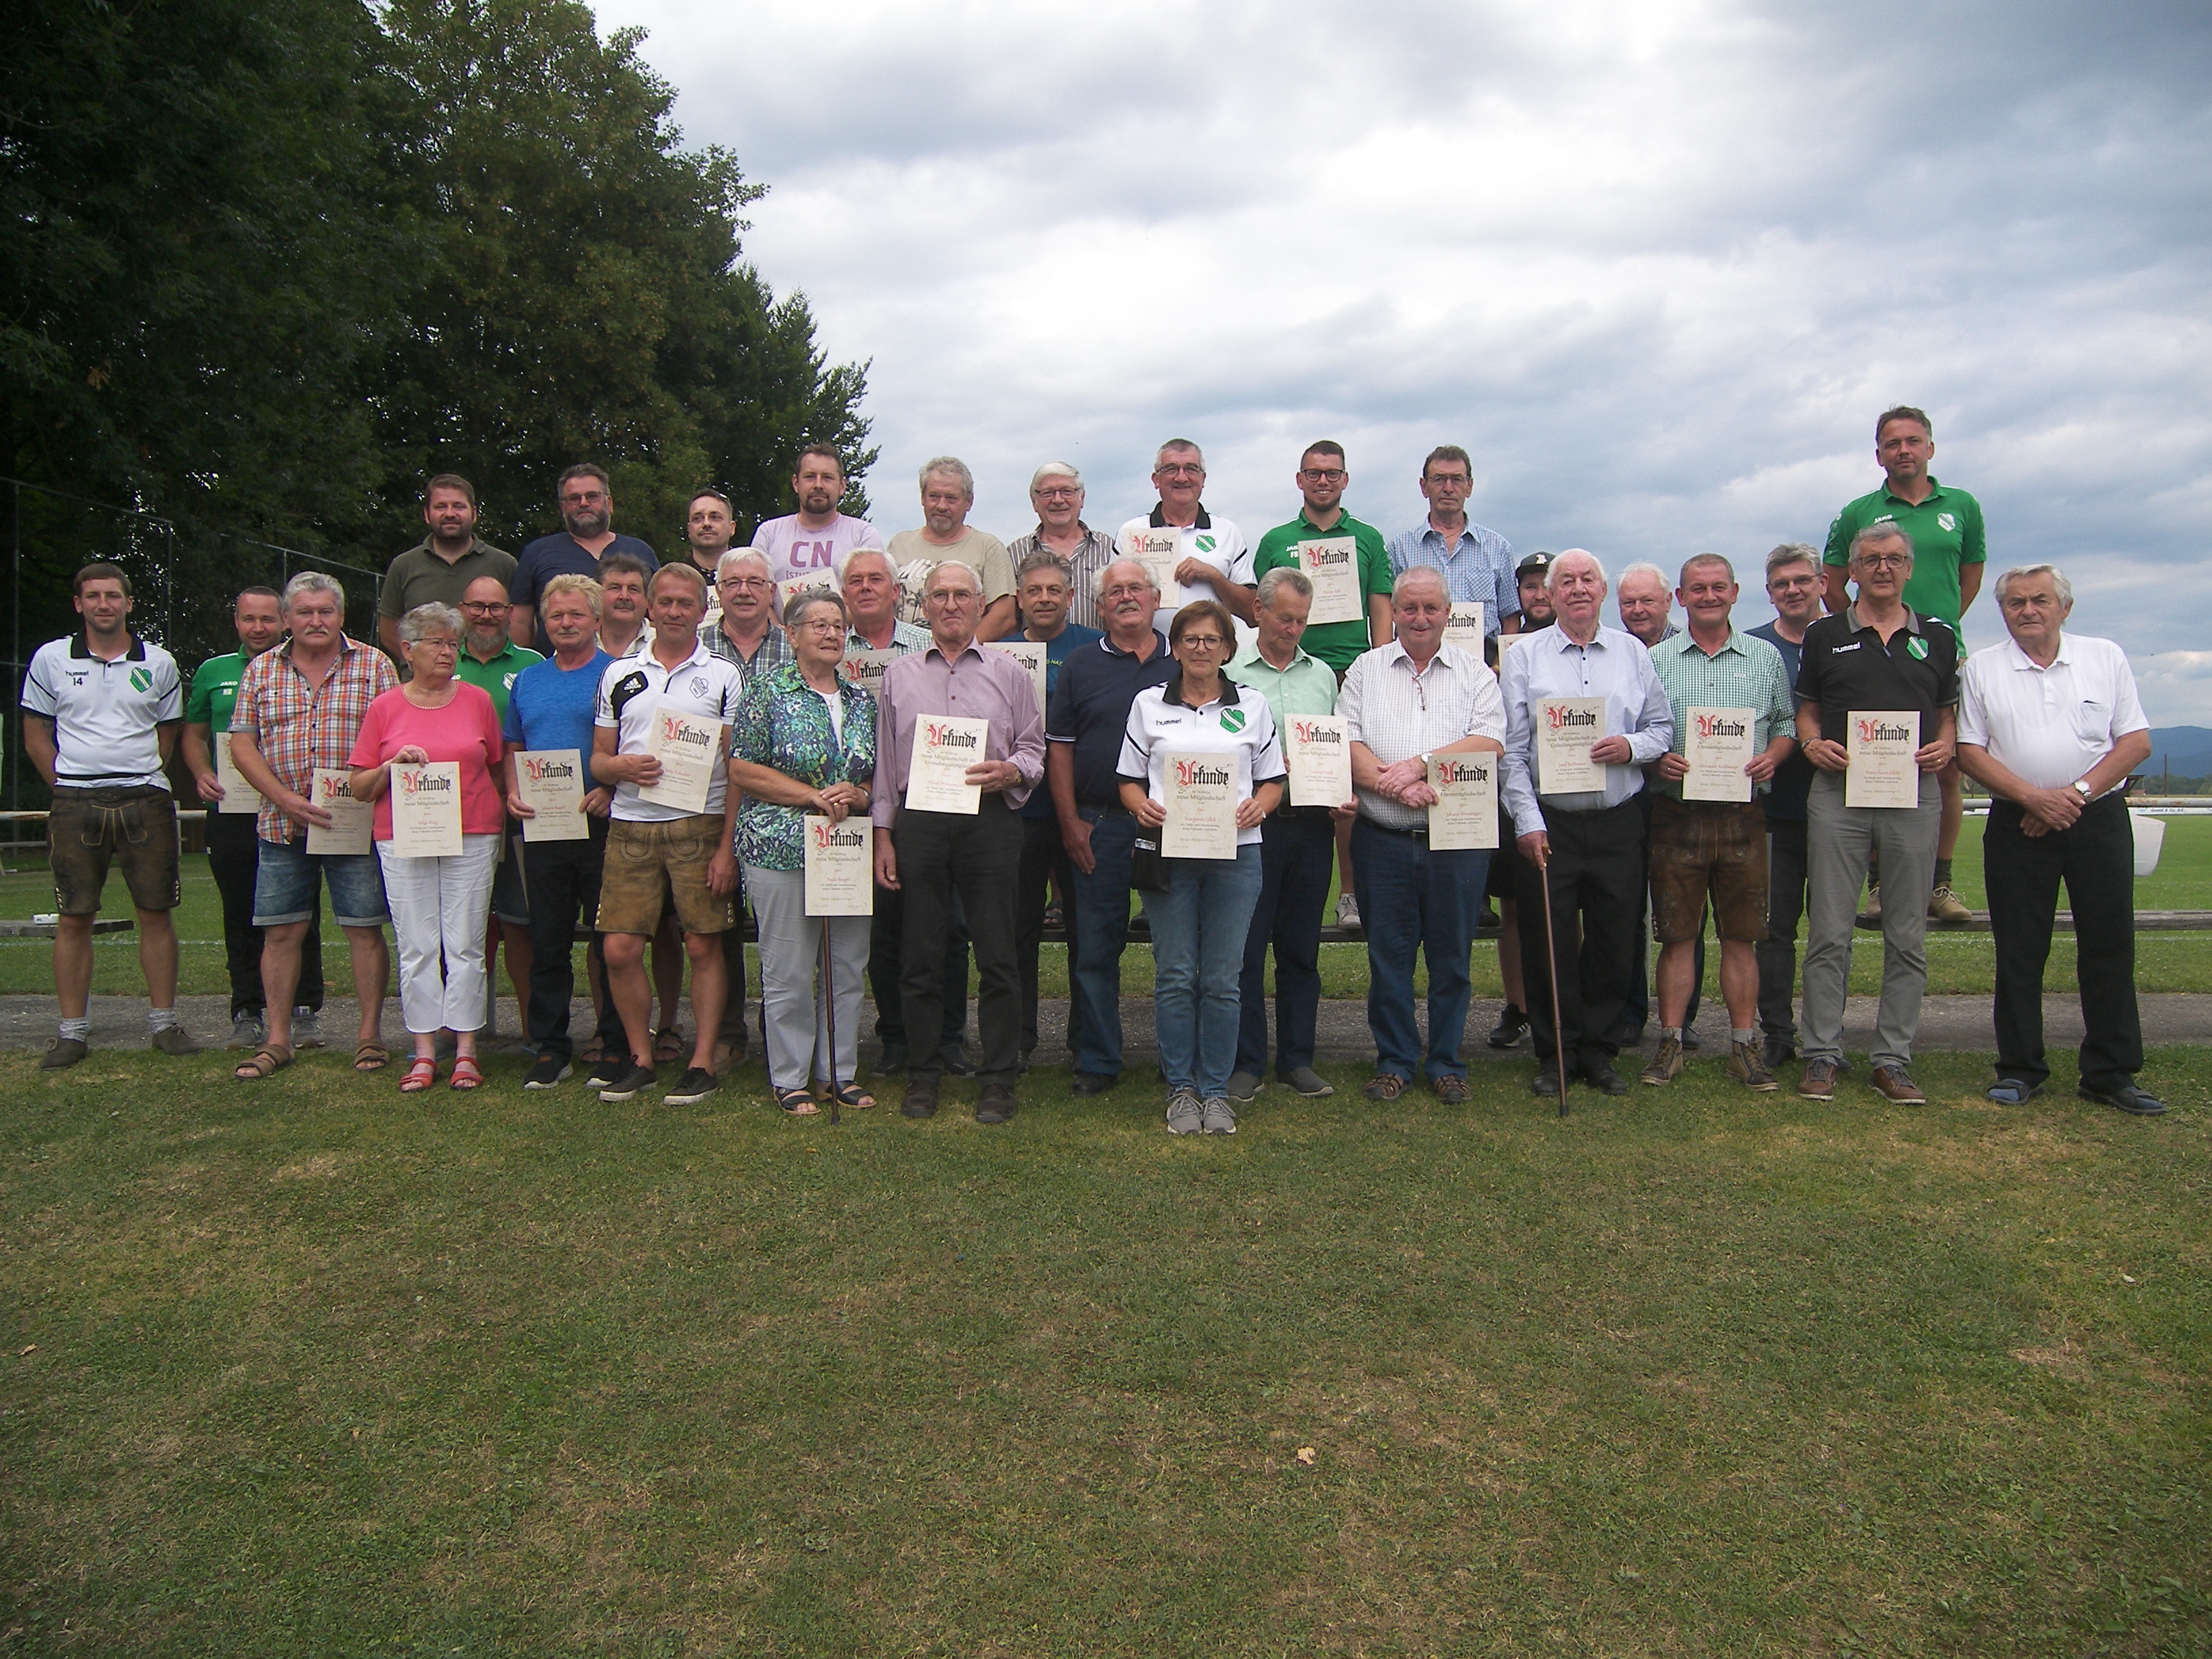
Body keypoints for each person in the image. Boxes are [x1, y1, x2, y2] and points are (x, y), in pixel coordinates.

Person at [1958, 565, 2160, 1115]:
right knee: (2020, 950)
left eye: (2040, 600)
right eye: (2016, 602)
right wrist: (2031, 798)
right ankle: (2020, 1069)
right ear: (2002, 611)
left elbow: (2136, 742)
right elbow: (1969, 750)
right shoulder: (1981, 668)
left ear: (2064, 607)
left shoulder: (2105, 657)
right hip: (2015, 821)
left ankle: (2110, 1074)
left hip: (2096, 818)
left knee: (2109, 946)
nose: (2028, 610)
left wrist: (2070, 796)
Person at [873, 560, 1046, 1124]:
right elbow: (885, 766)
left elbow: (1033, 749)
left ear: (980, 604)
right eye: (939, 596)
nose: (951, 605)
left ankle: (998, 1077)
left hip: (989, 821)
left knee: (998, 954)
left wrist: (1011, 773)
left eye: (962, 596)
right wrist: (884, 836)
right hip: (920, 821)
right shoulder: (898, 675)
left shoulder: (1010, 672)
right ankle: (923, 1075)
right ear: (922, 607)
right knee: (919, 953)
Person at [1793, 525, 1960, 1104]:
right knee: (1830, 932)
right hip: (1839, 793)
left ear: (1910, 568)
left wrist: (1946, 745)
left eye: (1893, 559)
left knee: (1907, 934)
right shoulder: (1825, 635)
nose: (1882, 568)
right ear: (1854, 572)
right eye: (1870, 560)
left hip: (1913, 794)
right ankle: (1821, 1053)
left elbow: (1947, 714)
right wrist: (1812, 744)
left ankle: (1894, 1058)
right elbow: (1807, 712)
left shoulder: (1937, 638)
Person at [1500, 551, 1674, 1097]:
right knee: (1546, 940)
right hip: (1551, 823)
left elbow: (1662, 729)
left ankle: (1599, 1052)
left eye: (1588, 580)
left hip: (1618, 820)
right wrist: (1527, 823)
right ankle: (1556, 1054)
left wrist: (1630, 746)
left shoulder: (1632, 654)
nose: (1577, 589)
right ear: (1550, 595)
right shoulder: (1524, 656)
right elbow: (1512, 752)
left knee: (1614, 939)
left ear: (1603, 591)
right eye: (1566, 581)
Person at [1341, 567, 1507, 1103]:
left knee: (1451, 959)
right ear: (1396, 614)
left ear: (1447, 613)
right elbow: (1350, 746)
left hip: (1456, 843)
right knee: (1388, 959)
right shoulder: (1366, 670)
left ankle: (1446, 1063)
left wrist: (1420, 766)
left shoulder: (1474, 671)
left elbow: (1489, 743)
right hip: (1382, 840)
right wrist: (1397, 789)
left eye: (1429, 608)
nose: (1418, 618)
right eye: (1408, 608)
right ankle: (1394, 1061)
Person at [1119, 600, 1285, 1134]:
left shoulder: (1253, 706)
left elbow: (1273, 779)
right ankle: (1181, 1090)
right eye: (1190, 639)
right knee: (1173, 975)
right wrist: (1137, 805)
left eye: (1212, 640)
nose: (1200, 648)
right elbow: (1128, 778)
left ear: (1228, 649)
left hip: (1238, 855)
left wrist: (1262, 804)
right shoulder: (1148, 704)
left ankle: (1215, 1089)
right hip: (1170, 854)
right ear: (1175, 647)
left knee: (1223, 977)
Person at [22, 561, 196, 1067]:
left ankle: (164, 1025)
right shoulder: (51, 659)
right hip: (75, 802)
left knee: (156, 913)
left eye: (113, 595)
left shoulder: (159, 662)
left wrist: (136, 775)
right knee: (74, 916)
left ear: (128, 603)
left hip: (145, 799)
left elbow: (167, 736)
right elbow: (36, 734)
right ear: (79, 604)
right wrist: (66, 787)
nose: (104, 604)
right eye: (93, 596)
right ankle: (72, 1032)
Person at [226, 572, 396, 1079]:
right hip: (282, 823)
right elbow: (241, 744)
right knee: (281, 933)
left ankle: (369, 1037)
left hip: (354, 824)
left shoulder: (375, 665)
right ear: (287, 619)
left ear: (342, 616)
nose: (316, 620)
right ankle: (278, 1040)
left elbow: (395, 736)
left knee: (364, 931)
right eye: (305, 612)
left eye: (326, 611)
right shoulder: (260, 671)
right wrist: (282, 798)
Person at [1639, 556, 1797, 1091]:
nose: (1708, 597)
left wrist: (1774, 756)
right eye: (1697, 590)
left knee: (1741, 936)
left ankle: (1743, 1045)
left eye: (1718, 588)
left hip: (1743, 812)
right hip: (1676, 811)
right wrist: (1657, 758)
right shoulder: (1655, 660)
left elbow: (1785, 723)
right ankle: (1670, 1042)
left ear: (1735, 593)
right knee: (1677, 936)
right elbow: (1640, 730)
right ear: (1680, 599)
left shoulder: (1764, 657)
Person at [1823, 407, 1984, 922]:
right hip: (1874, 650)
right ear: (1879, 455)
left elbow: (1970, 577)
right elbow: (1831, 580)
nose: (1903, 451)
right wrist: (1863, 631)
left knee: (1946, 765)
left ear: (1930, 448)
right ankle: (1879, 884)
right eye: (1893, 444)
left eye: (1913, 441)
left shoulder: (1962, 506)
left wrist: (1940, 631)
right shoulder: (1858, 512)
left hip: (1936, 650)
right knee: (1875, 757)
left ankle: (1941, 883)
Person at [590, 563, 743, 1105]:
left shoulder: (724, 674)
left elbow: (736, 769)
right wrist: (621, 770)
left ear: (704, 612)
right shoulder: (618, 674)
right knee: (620, 948)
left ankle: (701, 1061)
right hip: (632, 825)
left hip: (698, 824)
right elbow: (599, 761)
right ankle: (640, 1057)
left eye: (686, 603)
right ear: (649, 609)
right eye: (666, 602)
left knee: (702, 944)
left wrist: (727, 846)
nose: (675, 611)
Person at [346, 604, 508, 1092]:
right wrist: (392, 764)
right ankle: (422, 1050)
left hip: (472, 832)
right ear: (408, 650)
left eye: (452, 641)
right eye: (436, 642)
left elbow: (497, 766)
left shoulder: (478, 700)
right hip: (403, 836)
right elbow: (359, 786)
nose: (447, 650)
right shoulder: (385, 707)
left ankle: (465, 1050)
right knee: (417, 945)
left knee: (465, 943)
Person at [729, 591, 879, 1115]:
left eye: (839, 625)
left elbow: (867, 773)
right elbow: (742, 768)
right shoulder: (766, 692)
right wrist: (811, 796)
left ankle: (838, 1074)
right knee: (789, 969)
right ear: (791, 636)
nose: (832, 633)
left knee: (845, 965)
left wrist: (857, 794)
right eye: (818, 624)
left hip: (844, 847)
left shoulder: (862, 699)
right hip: (780, 847)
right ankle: (789, 1077)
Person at [1046, 558, 1177, 1095]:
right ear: (1099, 607)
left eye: (1136, 589)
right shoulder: (1080, 664)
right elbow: (1060, 751)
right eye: (1115, 591)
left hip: (1173, 828)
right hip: (1099, 823)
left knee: (1176, 950)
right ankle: (1099, 1061)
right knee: (1097, 950)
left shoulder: (1185, 658)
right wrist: (1070, 822)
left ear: (1155, 596)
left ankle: (1179, 1062)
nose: (1127, 597)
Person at [1252, 440, 1393, 932]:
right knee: (1304, 776)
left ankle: (1349, 893)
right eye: (1314, 473)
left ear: (1345, 480)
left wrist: (1377, 664)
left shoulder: (1370, 538)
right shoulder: (1276, 538)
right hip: (1297, 665)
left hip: (1353, 670)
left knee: (1345, 783)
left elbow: (1381, 606)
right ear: (1300, 479)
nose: (1323, 481)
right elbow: (1266, 603)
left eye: (1332, 473)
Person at [1225, 568, 1353, 1102]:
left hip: (1309, 827)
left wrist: (1341, 788)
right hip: (1248, 829)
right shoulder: (1229, 671)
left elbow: (1334, 746)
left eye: (1302, 621)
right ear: (1258, 611)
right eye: (1284, 619)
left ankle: (1298, 1060)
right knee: (1247, 951)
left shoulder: (1322, 676)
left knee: (1300, 951)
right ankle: (1247, 1063)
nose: (1293, 629)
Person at [842, 544, 966, 1074]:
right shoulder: (827, 642)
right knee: (886, 929)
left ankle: (951, 1037)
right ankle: (896, 1036)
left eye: (877, 579)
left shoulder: (926, 643)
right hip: (853, 803)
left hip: (935, 799)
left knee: (950, 930)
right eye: (856, 581)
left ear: (898, 592)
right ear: (844, 593)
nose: (866, 587)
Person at [184, 585, 325, 1052]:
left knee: (302, 910)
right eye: (250, 619)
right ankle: (247, 1009)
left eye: (268, 619)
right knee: (241, 910)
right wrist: (201, 771)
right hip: (234, 808)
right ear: (237, 623)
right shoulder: (213, 671)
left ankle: (304, 1008)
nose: (259, 627)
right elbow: (193, 734)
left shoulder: (304, 664)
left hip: (296, 806)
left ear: (283, 621)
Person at [501, 574, 625, 1090]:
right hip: (544, 826)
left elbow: (638, 747)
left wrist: (610, 791)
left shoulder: (619, 675)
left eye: (576, 615)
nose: (566, 624)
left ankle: (616, 1043)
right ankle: (551, 1047)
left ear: (598, 620)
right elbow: (513, 746)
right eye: (556, 616)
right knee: (548, 942)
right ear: (543, 623)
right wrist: (513, 789)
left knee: (610, 942)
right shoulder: (529, 679)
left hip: (603, 824)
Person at [702, 547, 795, 1069]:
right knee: (718, 924)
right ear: (717, 589)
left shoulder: (794, 643)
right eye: (732, 581)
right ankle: (729, 1031)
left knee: (779, 931)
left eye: (755, 582)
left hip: (776, 810)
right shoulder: (694, 647)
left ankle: (776, 1032)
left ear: (771, 589)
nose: (743, 591)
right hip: (705, 804)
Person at [1010, 552, 1103, 1067]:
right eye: (1034, 591)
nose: (1044, 599)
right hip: (1019, 812)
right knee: (1018, 928)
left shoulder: (1092, 647)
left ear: (1071, 597)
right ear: (1020, 598)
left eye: (1054, 590)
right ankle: (1019, 1041)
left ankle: (1084, 1039)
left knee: (1084, 929)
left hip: (1082, 809)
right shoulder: (997, 651)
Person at [453, 575, 543, 1039]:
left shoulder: (532, 664)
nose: (486, 615)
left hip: (515, 813)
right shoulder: (443, 660)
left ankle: (531, 1028)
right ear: (462, 609)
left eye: (496, 607)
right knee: (456, 925)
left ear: (511, 612)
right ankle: (456, 1028)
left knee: (519, 923)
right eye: (477, 606)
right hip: (453, 817)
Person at [1613, 560, 1697, 1047]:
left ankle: (1681, 1019)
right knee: (1625, 909)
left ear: (1670, 602)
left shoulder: (1689, 654)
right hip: (1626, 795)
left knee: (1682, 910)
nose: (1639, 609)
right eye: (1629, 602)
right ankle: (1629, 1011)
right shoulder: (1612, 654)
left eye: (1648, 600)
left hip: (1680, 799)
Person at [1747, 544, 1824, 1069]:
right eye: (1781, 584)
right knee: (1773, 930)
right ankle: (1777, 1030)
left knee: (1830, 930)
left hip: (1839, 808)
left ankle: (1826, 1033)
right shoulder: (1754, 647)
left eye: (1802, 580)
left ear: (1821, 583)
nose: (1792, 591)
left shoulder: (1846, 640)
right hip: (1773, 813)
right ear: (1769, 591)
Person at [1483, 550, 1558, 1048]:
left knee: (1562, 907)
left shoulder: (1577, 641)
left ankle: (1561, 1000)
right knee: (1512, 906)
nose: (1538, 595)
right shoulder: (1493, 649)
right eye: (1529, 587)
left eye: (1545, 585)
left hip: (1564, 788)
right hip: (1511, 790)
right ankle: (1519, 1007)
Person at [511, 464, 659, 652]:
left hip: (637, 667)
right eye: (574, 498)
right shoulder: (537, 553)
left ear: (609, 503)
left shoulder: (640, 551)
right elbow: (520, 622)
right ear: (563, 507)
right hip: (557, 671)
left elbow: (657, 613)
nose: (583, 503)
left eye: (592, 496)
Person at [1119, 440, 1257, 633]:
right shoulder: (1131, 532)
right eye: (1171, 469)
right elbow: (1112, 603)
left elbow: (1252, 613)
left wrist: (1214, 576)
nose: (1181, 478)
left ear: (1203, 479)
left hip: (1207, 656)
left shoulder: (1227, 532)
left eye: (1191, 469)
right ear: (1156, 479)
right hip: (1144, 657)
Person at [1385, 445, 1519, 641]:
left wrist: (1498, 666)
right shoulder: (1399, 549)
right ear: (1424, 487)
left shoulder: (1498, 548)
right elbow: (1389, 615)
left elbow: (1510, 618)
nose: (1448, 488)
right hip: (1418, 662)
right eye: (1439, 479)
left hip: (1482, 663)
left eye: (1457, 479)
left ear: (1469, 486)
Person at [377, 475, 514, 661]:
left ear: (474, 514)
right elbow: (388, 632)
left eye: (459, 506)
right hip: (422, 685)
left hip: (487, 679)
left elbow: (518, 625)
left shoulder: (504, 565)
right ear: (427, 515)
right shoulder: (403, 566)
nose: (450, 514)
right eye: (441, 507)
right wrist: (422, 663)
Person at [884, 457, 1019, 640]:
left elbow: (1004, 617)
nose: (941, 506)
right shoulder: (899, 544)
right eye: (934, 496)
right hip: (906, 661)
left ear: (969, 502)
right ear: (923, 498)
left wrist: (961, 653)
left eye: (951, 498)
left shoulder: (988, 548)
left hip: (966, 663)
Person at [751, 444, 882, 590]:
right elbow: (755, 592)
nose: (818, 485)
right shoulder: (769, 533)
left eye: (827, 477)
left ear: (842, 486)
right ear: (796, 483)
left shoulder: (862, 535)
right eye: (810, 477)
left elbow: (872, 595)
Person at [1006, 464, 1118, 630]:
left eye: (1067, 491)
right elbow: (1009, 618)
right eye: (1048, 493)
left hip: (1096, 653)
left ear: (1082, 498)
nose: (1058, 500)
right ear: (1034, 502)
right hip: (1038, 654)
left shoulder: (1108, 548)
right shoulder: (1015, 553)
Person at [594, 553, 652, 659]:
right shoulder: (581, 642)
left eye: (633, 589)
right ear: (597, 595)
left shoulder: (663, 644)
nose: (624, 596)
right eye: (615, 588)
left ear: (647, 600)